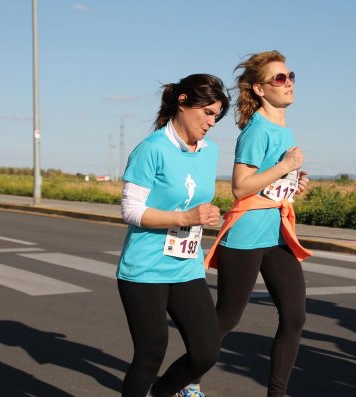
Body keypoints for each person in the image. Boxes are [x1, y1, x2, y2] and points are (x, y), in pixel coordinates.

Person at [190, 50, 313, 396]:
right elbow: (240, 186)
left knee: (295, 317)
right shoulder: (257, 129)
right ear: (259, 89)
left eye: (290, 76)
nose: (287, 83)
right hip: (245, 236)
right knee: (226, 319)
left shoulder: (283, 129)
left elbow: (269, 183)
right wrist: (283, 167)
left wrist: (292, 184)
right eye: (279, 78)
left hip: (276, 236)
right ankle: (186, 379)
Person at [117, 74, 230, 397]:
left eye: (216, 116)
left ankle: (163, 392)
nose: (211, 122)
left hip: (185, 265)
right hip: (145, 268)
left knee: (206, 352)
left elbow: (195, 202)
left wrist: (207, 213)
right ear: (182, 102)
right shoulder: (151, 149)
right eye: (207, 112)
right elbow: (130, 210)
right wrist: (183, 217)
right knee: (150, 354)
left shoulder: (208, 152)